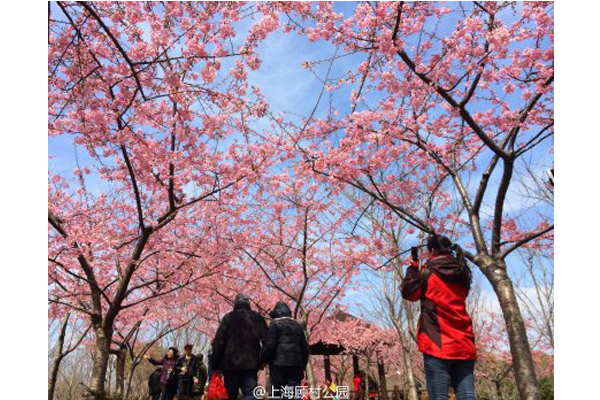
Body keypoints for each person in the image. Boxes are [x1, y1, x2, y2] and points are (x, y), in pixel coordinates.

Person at [401, 235, 476, 400]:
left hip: (437, 343)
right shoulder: (463, 273)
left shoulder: (427, 274)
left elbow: (409, 292)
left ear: (432, 251)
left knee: (439, 396)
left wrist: (413, 267)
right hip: (464, 342)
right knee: (467, 396)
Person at [210, 293, 268, 400]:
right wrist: (263, 360)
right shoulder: (257, 317)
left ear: (235, 303)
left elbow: (219, 342)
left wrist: (215, 363)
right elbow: (267, 341)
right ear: (248, 303)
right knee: (250, 395)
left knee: (231, 395)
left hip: (230, 364)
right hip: (251, 365)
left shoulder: (228, 318)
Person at [261, 301, 309, 400]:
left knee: (278, 393)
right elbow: (305, 348)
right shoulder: (298, 326)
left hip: (278, 364)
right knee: (294, 393)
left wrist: (263, 359)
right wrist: (302, 365)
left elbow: (270, 345)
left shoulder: (274, 325)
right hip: (296, 364)